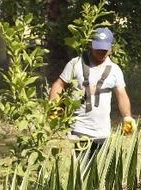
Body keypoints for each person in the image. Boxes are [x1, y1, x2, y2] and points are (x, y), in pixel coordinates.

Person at [49, 27, 135, 158]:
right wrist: (54, 107)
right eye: (98, 47)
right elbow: (59, 84)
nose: (101, 51)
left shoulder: (115, 70)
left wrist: (127, 117)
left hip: (103, 132)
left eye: (105, 49)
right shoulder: (76, 63)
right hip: (79, 131)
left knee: (99, 174)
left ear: (111, 47)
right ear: (91, 45)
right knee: (81, 174)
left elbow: (121, 94)